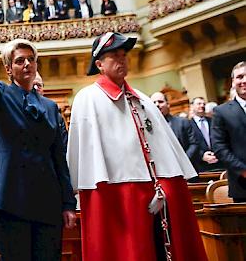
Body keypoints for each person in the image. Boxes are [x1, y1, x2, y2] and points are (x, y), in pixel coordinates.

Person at [67, 32, 206, 261]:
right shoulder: (88, 98)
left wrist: (163, 188)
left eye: (124, 55)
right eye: (114, 56)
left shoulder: (143, 99)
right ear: (99, 64)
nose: (122, 60)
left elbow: (165, 154)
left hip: (158, 194)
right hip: (117, 197)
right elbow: (87, 162)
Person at [0, 0, 76, 260]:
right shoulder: (0, 96)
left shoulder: (51, 108)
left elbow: (58, 159)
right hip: (11, 201)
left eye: (31, 59)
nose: (26, 63)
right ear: (9, 69)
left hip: (48, 203)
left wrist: (67, 203)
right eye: (19, 60)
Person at [212, 61, 246, 202]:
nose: (244, 80)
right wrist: (243, 170)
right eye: (240, 77)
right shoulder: (222, 111)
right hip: (242, 185)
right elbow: (219, 147)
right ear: (233, 82)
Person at [188, 97, 223, 173]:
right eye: (199, 104)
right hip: (201, 166)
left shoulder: (213, 121)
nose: (202, 106)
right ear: (192, 106)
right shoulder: (188, 124)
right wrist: (202, 156)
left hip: (219, 162)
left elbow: (219, 138)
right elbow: (189, 144)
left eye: (204, 104)